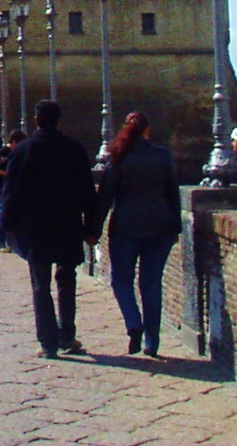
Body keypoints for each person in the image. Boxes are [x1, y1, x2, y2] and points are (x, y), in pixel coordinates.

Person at [0, 100, 99, 359]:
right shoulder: (74, 149)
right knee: (67, 282)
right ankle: (67, 335)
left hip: (35, 230)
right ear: (59, 120)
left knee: (40, 286)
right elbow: (89, 193)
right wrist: (92, 227)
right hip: (67, 226)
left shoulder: (22, 150)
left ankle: (48, 342)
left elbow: (10, 193)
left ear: (36, 120)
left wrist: (7, 227)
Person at [96, 111, 182, 358]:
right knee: (151, 284)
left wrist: (93, 230)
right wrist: (176, 226)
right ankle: (152, 342)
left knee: (121, 280)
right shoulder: (162, 155)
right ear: (148, 131)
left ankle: (134, 322)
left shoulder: (119, 157)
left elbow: (105, 197)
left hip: (126, 228)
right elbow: (172, 193)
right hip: (160, 228)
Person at [0, 129, 25, 250]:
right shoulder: (3, 152)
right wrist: (7, 173)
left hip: (12, 187)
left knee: (11, 213)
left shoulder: (19, 153)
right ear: (15, 141)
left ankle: (11, 242)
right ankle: (0, 242)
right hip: (0, 186)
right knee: (4, 213)